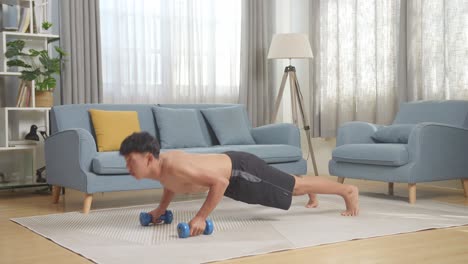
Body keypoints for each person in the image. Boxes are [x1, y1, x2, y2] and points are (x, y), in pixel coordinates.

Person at [120, 132, 359, 237]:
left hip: (239, 172)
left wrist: (201, 217)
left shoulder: (174, 165)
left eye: (131, 161)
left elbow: (220, 182)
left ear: (149, 158)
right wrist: (161, 210)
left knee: (295, 186)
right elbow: (171, 185)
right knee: (294, 185)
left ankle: (347, 191)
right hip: (235, 170)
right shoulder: (163, 170)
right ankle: (313, 194)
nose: (128, 167)